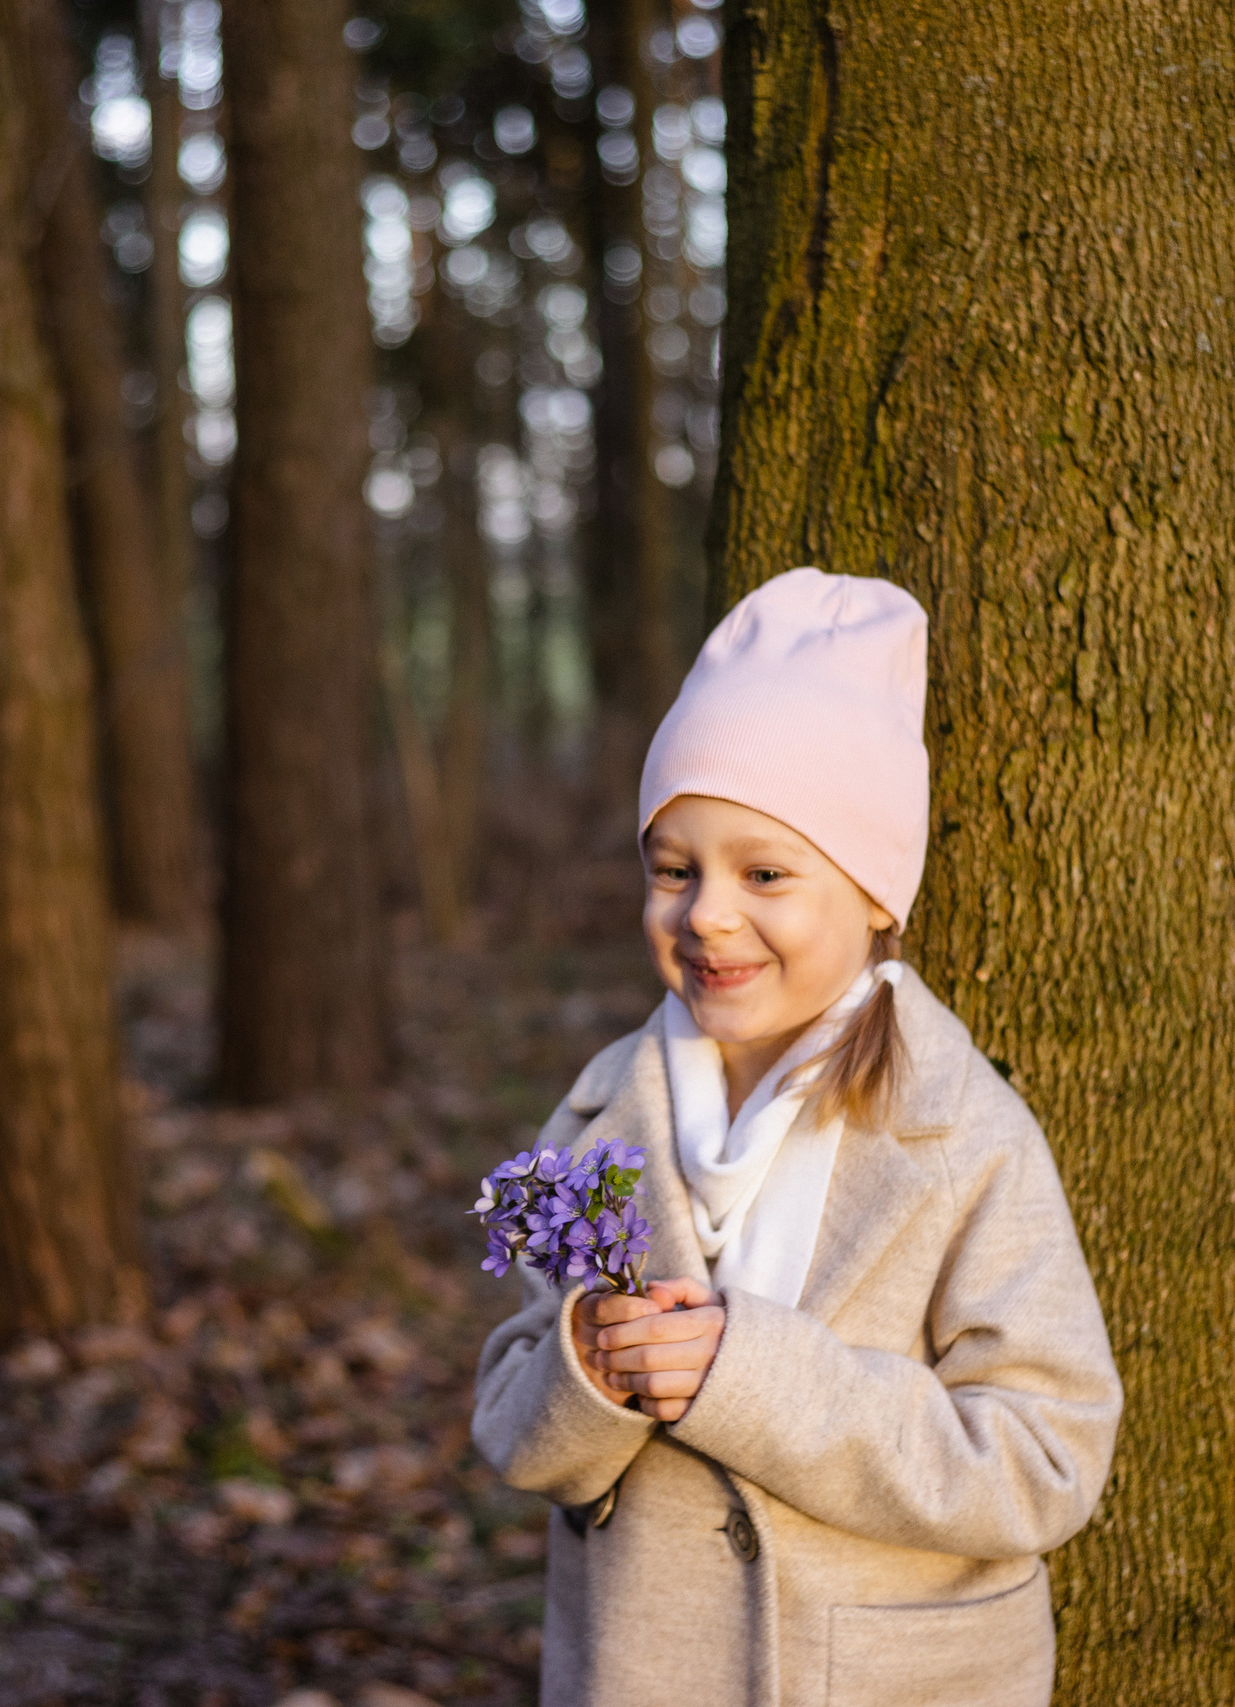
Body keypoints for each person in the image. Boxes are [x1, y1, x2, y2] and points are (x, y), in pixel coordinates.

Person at [472, 569, 1122, 1707]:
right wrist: (592, 1366)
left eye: (764, 873)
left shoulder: (963, 1135)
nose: (706, 913)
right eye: (673, 870)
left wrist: (751, 1374)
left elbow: (1043, 1459)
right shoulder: (600, 1121)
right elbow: (518, 1431)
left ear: (875, 893)